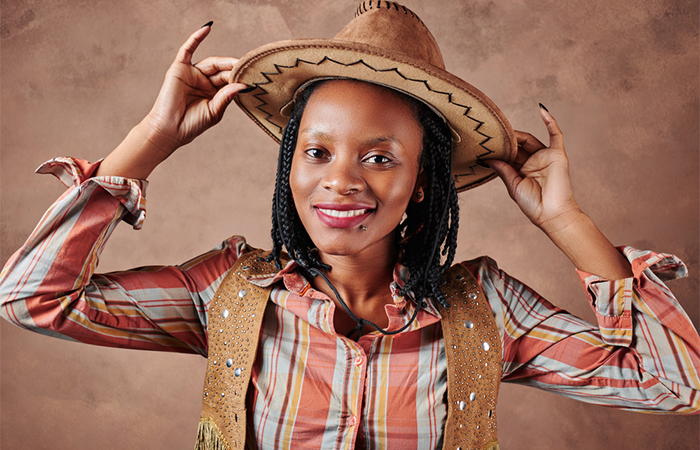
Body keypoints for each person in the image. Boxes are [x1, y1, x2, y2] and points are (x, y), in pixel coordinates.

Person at [1, 2, 698, 449]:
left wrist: (567, 223)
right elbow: (34, 300)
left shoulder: (487, 310)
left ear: (422, 183)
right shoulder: (229, 293)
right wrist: (152, 138)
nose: (341, 180)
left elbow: (677, 384)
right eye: (317, 151)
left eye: (379, 157)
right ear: (291, 169)